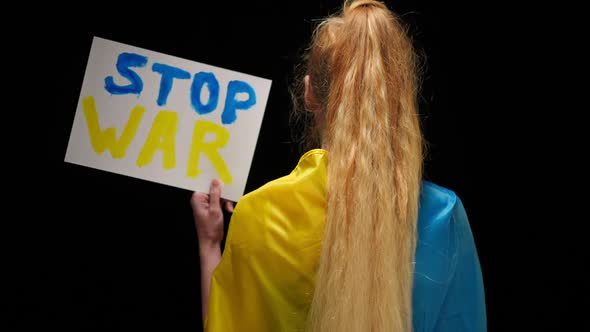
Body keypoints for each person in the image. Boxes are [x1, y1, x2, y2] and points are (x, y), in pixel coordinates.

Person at [191, 0, 486, 331]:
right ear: (401, 97)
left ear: (308, 93)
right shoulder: (444, 216)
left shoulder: (260, 214)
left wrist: (209, 243)